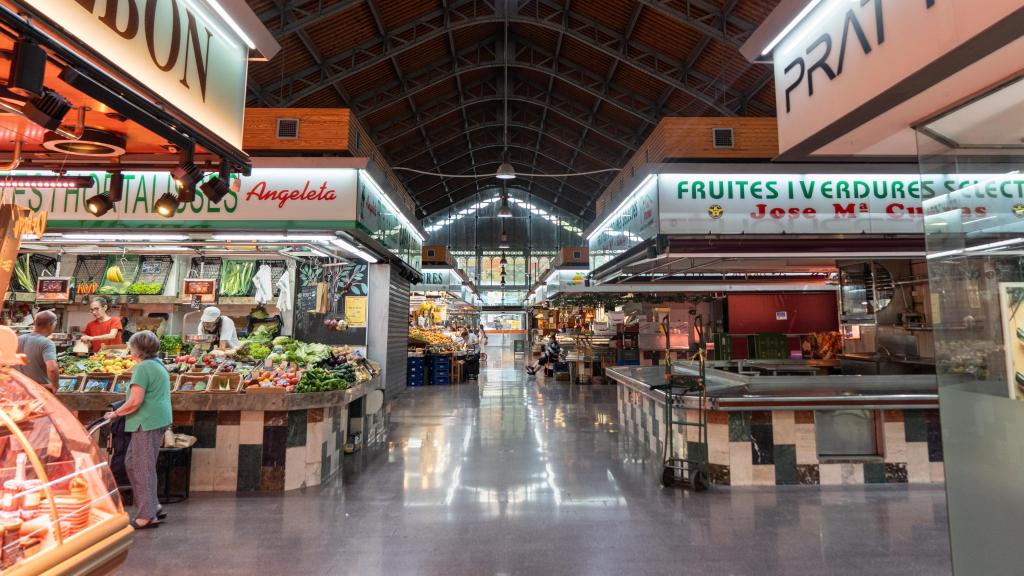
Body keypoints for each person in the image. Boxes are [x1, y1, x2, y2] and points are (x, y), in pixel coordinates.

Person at [104, 331, 171, 530]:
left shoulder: (142, 368)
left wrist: (115, 414)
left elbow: (135, 401)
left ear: (138, 350)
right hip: (154, 419)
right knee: (134, 463)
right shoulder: (157, 364)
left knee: (141, 467)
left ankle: (146, 515)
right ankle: (152, 505)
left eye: (131, 346)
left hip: (147, 421)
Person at [16, 310, 59, 393]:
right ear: (51, 325)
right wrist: (55, 385)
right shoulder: (47, 343)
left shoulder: (18, 339)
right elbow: (52, 368)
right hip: (39, 391)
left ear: (34, 322)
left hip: (19, 388)